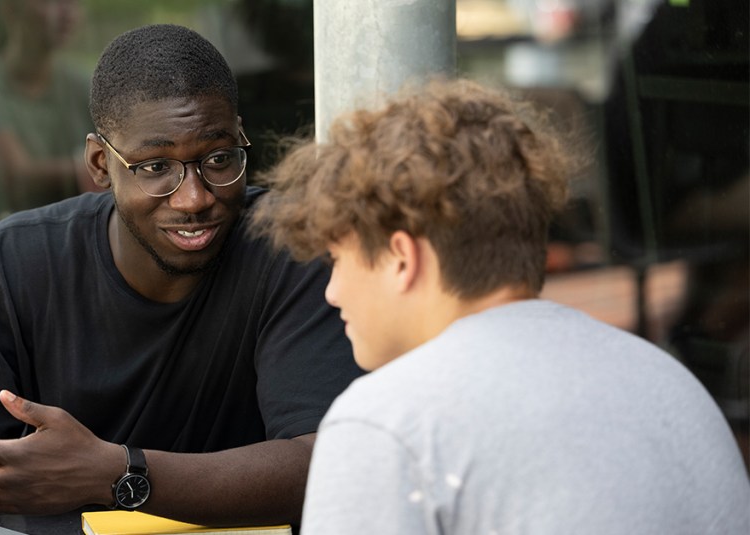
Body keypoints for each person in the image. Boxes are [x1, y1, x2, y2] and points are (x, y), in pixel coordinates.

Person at [0, 23, 361, 529]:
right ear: (101, 164)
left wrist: (115, 475)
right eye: (155, 167)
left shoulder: (288, 246)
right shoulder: (16, 260)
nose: (195, 198)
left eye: (218, 158)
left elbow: (323, 465)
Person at [251, 79, 750, 534]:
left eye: (337, 259)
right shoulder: (671, 383)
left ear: (402, 258)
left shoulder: (386, 423)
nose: (331, 291)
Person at [0, 0, 98, 276]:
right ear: (10, 9)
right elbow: (18, 180)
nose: (66, 11)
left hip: (68, 249)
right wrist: (105, 168)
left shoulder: (80, 84)